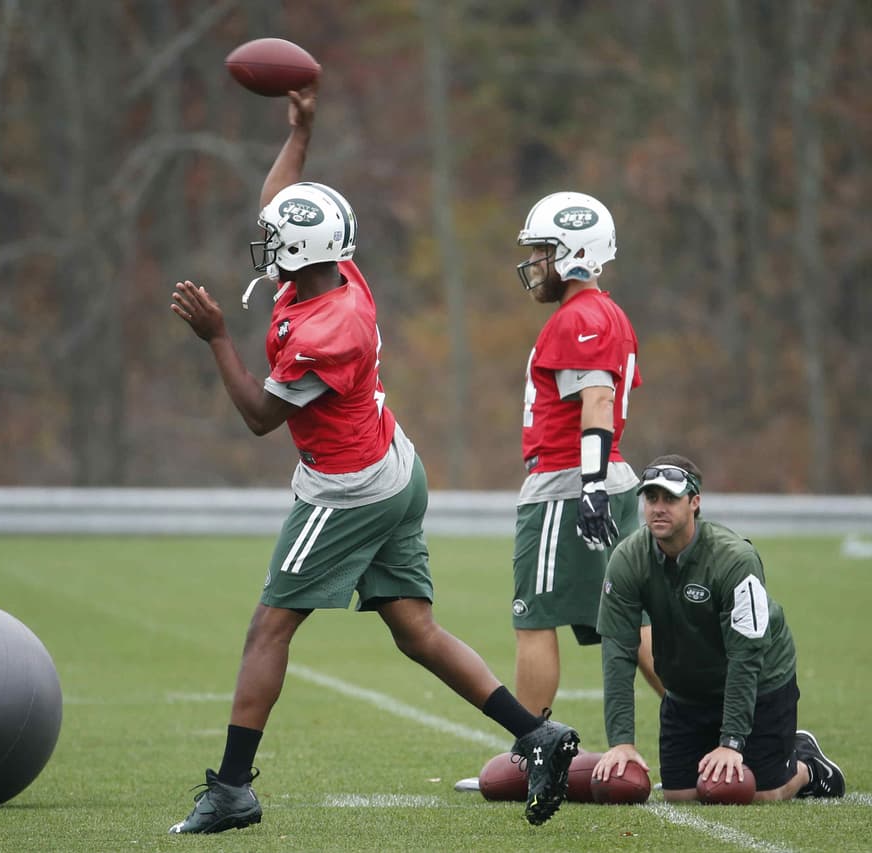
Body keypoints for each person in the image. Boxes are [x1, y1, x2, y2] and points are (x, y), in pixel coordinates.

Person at [166, 85, 580, 835]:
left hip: (347, 486)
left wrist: (218, 339)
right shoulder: (337, 273)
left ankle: (231, 788)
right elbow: (279, 198)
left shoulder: (333, 327)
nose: (263, 246)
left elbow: (262, 418)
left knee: (269, 628)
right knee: (415, 628)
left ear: (300, 255)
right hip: (392, 464)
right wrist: (302, 130)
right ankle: (538, 735)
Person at [592, 455, 844, 801]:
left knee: (756, 793)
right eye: (651, 498)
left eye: (670, 498)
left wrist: (732, 742)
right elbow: (618, 650)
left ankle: (807, 764)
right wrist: (621, 742)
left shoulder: (735, 560)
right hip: (688, 690)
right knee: (680, 796)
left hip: (762, 682)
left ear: (695, 503)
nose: (658, 508)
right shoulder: (627, 558)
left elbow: (747, 654)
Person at [509, 192, 663, 716]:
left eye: (542, 251)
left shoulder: (583, 316)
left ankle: (528, 747)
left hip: (569, 482)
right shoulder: (601, 312)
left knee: (533, 616)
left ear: (573, 253)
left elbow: (597, 401)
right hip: (595, 477)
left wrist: (590, 487)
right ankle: (720, 728)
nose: (533, 264)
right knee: (636, 624)